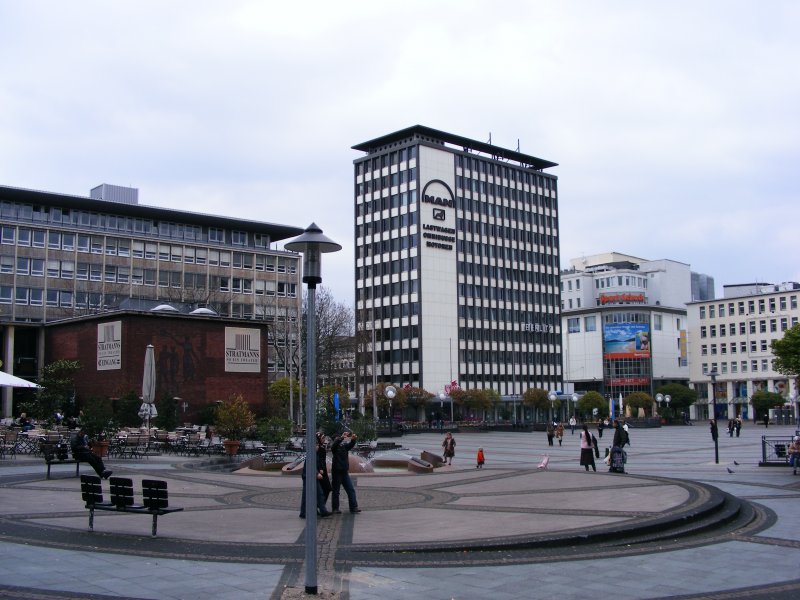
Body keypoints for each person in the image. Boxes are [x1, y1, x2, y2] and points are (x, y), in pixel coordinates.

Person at [330, 430, 361, 514]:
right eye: (337, 439)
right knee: (336, 491)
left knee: (350, 489)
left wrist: (353, 440)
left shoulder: (343, 447)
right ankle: (335, 508)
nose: (339, 440)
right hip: (336, 472)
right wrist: (341, 438)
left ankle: (353, 507)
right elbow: (335, 445)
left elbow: (350, 445)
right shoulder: (334, 447)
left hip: (344, 471)